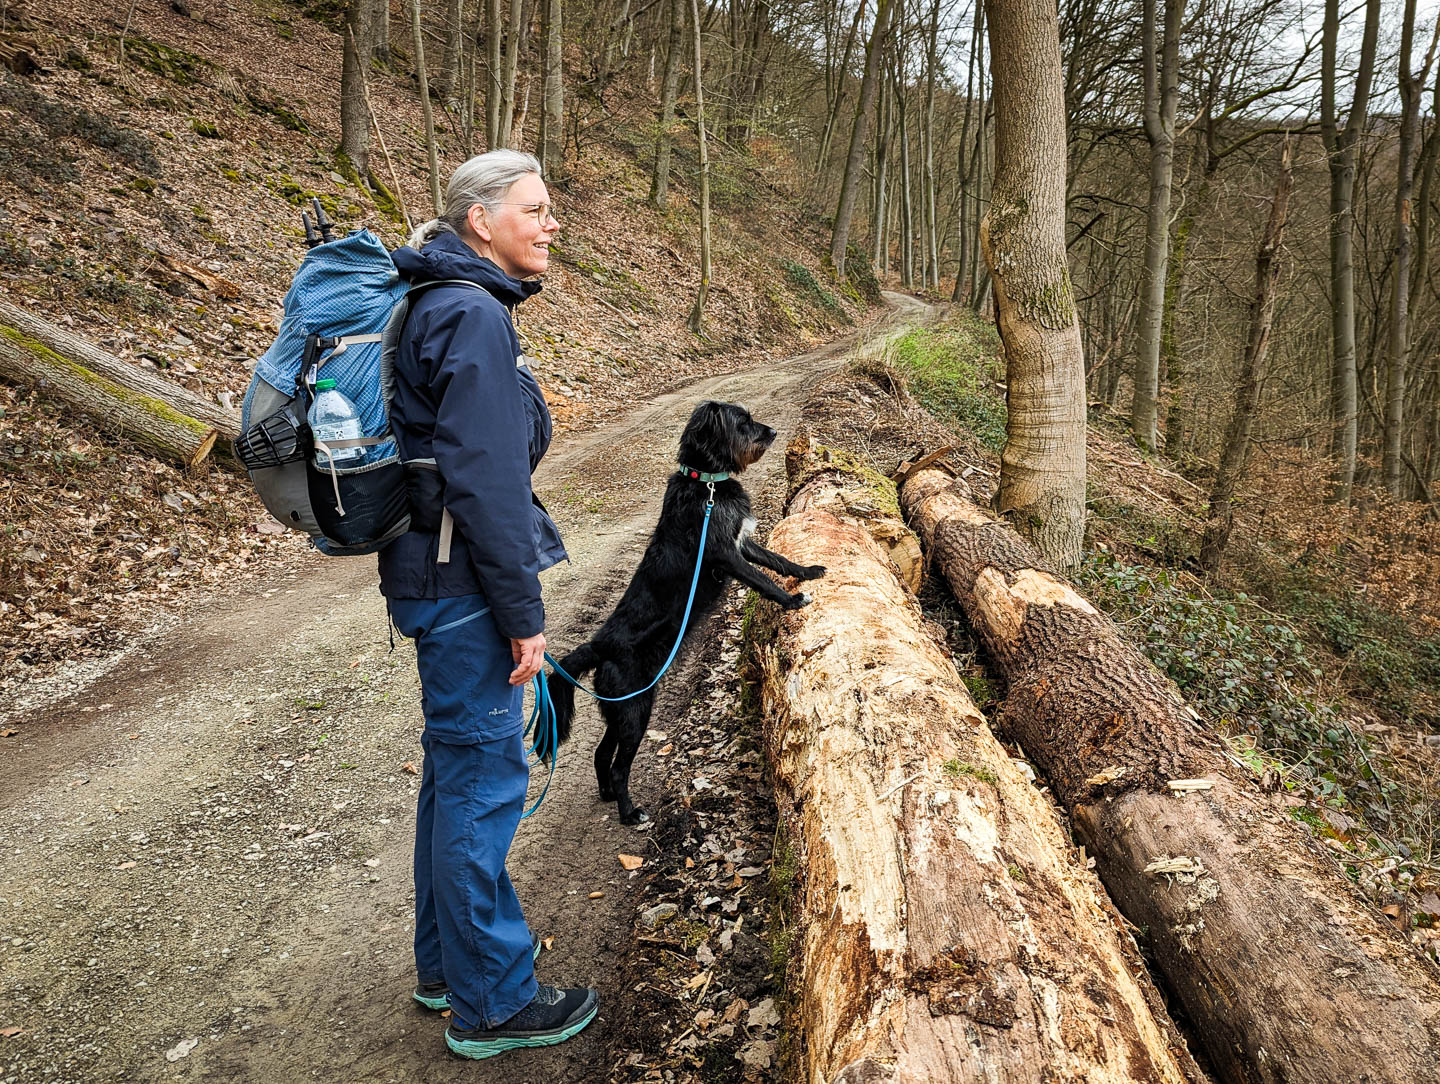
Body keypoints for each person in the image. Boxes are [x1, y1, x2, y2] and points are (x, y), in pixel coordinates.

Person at [381, 150, 598, 1060]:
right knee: (479, 785)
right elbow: (489, 488)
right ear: (481, 221)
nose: (551, 225)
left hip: (431, 577)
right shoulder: (471, 314)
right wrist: (524, 614)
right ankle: (494, 1003)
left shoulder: (437, 300)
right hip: (466, 587)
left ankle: (445, 967)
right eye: (535, 210)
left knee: (452, 775)